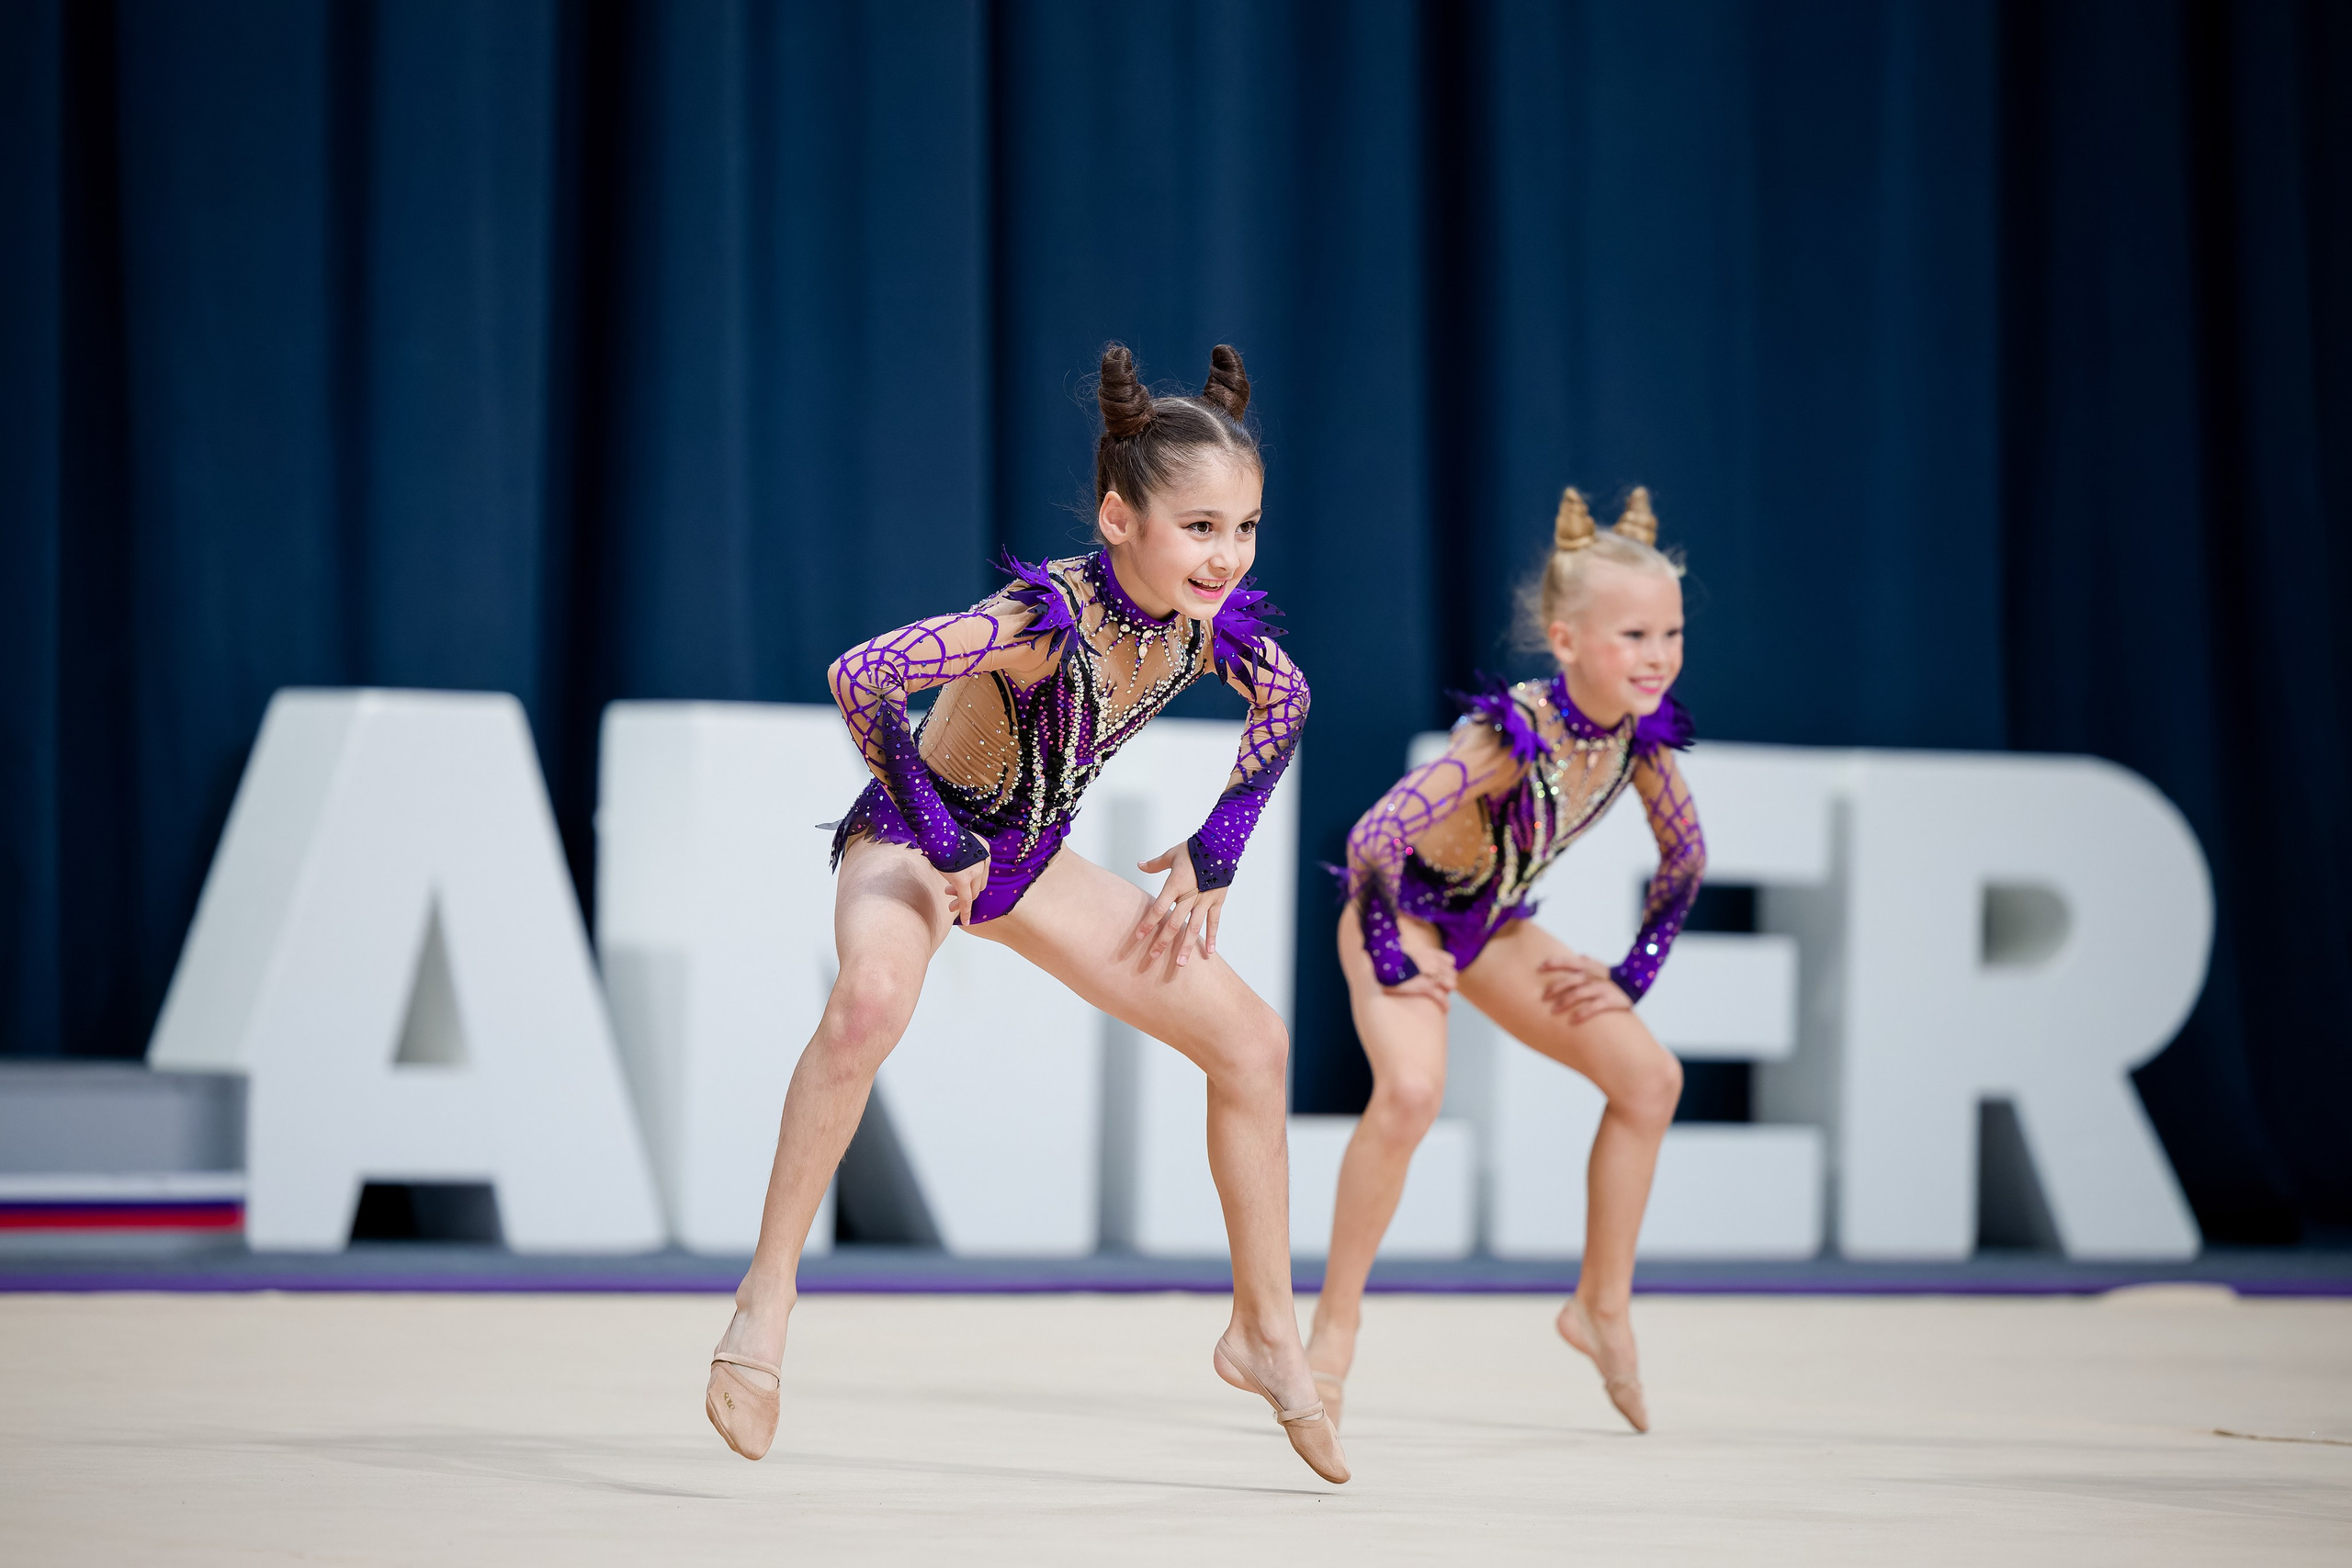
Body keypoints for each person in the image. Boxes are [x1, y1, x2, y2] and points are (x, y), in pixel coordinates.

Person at [705, 344, 1345, 1484]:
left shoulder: (1206, 630)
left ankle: (1261, 1332)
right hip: (913, 834)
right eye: (1200, 528)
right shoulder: (1039, 618)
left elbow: (1288, 698)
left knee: (1251, 1042)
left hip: (1028, 857)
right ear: (1118, 516)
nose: (1227, 555)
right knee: (868, 1007)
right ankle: (765, 1301)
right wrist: (941, 838)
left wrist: (1218, 847)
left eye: (1244, 528)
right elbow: (864, 676)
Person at [1309, 486, 1702, 1435]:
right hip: (1399, 910)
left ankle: (1599, 1306)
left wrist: (1629, 971)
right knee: (1408, 1094)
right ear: (1565, 641)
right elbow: (1373, 839)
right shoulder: (1506, 739)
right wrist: (1391, 961)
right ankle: (1330, 1327)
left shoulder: (1638, 747)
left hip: (1490, 923)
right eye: (1633, 637)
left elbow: (1685, 860)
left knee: (1648, 1080)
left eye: (1670, 635)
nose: (1657, 659)